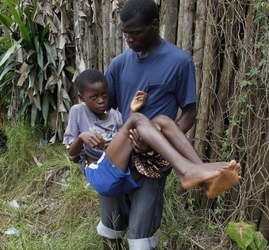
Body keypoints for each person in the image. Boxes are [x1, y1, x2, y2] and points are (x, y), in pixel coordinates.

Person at [101, 0, 241, 249]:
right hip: (120, 157)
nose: (129, 39)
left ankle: (195, 172)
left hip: (153, 159)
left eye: (135, 33)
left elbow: (189, 113)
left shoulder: (179, 61)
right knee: (111, 226)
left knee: (141, 237)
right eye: (125, 33)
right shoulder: (119, 64)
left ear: (155, 25)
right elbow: (104, 109)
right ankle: (196, 172)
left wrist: (155, 141)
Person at [64, 69, 239, 198]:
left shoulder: (116, 115)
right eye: (94, 97)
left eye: (104, 94)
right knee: (138, 120)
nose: (101, 100)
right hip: (100, 174)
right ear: (81, 97)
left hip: (125, 175)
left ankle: (207, 183)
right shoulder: (77, 111)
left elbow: (125, 141)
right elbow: (71, 154)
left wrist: (132, 112)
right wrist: (81, 138)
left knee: (162, 120)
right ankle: (186, 171)